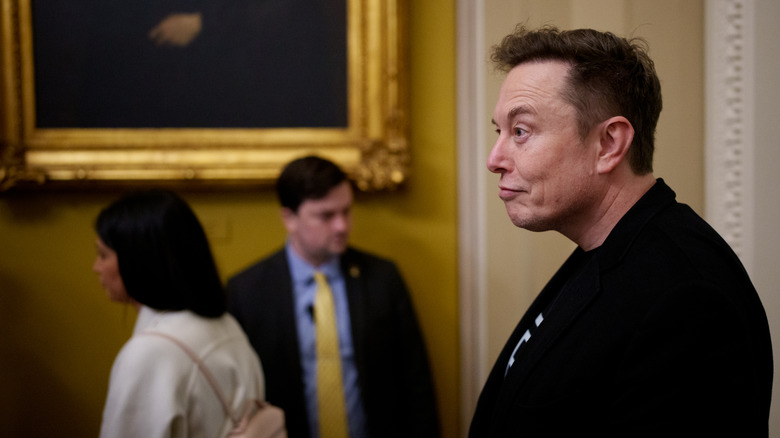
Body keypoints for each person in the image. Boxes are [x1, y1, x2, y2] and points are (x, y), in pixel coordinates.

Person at [469, 25, 773, 437]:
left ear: (609, 144)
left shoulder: (686, 295)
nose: (494, 158)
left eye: (521, 131)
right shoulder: (606, 250)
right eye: (498, 131)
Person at [227, 155, 440, 438]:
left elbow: (416, 382)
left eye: (346, 211)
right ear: (289, 218)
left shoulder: (382, 278)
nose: (342, 226)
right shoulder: (247, 291)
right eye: (326, 216)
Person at [92, 189, 266, 438]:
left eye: (103, 255)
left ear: (138, 260)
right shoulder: (226, 324)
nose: (96, 267)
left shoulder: (149, 354)